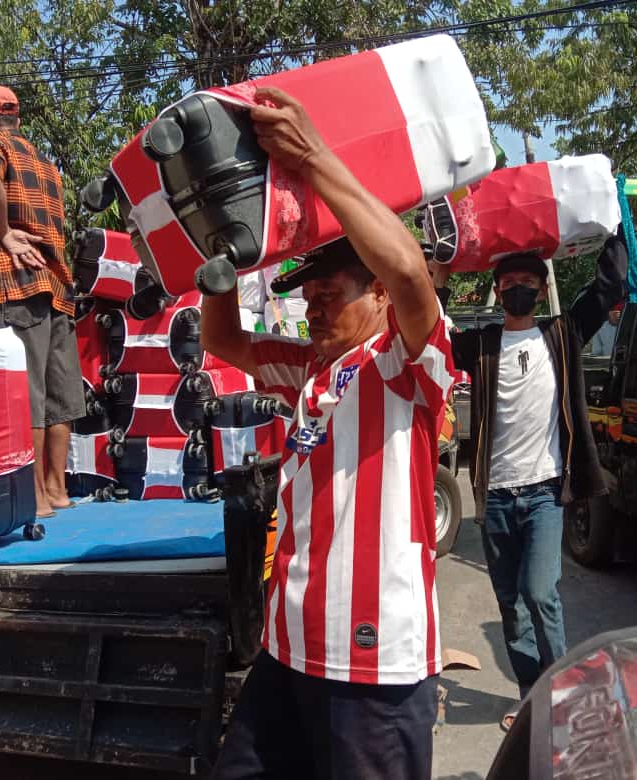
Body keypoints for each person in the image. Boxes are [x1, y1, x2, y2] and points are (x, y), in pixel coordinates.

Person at [201, 87, 454, 778]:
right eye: (306, 300)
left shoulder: (408, 362)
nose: (312, 311)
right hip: (289, 647)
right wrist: (220, 243)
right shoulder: (310, 368)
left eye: (327, 298)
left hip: (373, 666)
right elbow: (221, 337)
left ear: (375, 293)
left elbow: (407, 268)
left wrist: (312, 156)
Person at [437, 236, 627, 731]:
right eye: (508, 284)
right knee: (509, 603)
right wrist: (438, 274)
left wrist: (609, 229)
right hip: (496, 496)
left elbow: (608, 287)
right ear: (497, 293)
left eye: (526, 283)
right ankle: (530, 693)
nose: (517, 289)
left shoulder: (562, 335)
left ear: (542, 292)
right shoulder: (480, 346)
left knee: (540, 593)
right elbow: (430, 327)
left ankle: (564, 691)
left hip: (544, 492)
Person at [0, 85, 84, 518]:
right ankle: (56, 488)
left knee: (20, 389)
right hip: (55, 285)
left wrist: (3, 231)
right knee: (58, 388)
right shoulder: (44, 162)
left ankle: (32, 497)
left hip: (9, 283)